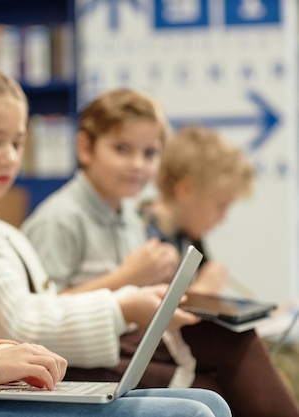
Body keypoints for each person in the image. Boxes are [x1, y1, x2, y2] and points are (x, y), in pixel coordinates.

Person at [0, 47, 231, 416]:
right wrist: (122, 303)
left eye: (17, 143)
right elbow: (21, 324)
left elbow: (37, 307)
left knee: (210, 403)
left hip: (19, 383)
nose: (10, 158)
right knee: (196, 410)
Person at [21, 88, 299, 417]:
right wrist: (128, 277)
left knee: (234, 347)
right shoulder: (59, 219)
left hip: (125, 347)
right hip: (82, 360)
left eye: (150, 153)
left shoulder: (126, 216)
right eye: (122, 149)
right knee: (217, 378)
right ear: (85, 148)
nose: (137, 164)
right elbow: (36, 317)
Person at [138, 123, 255, 295]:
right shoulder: (140, 235)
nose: (222, 219)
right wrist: (201, 292)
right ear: (186, 190)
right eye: (220, 206)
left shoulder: (188, 234)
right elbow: (148, 315)